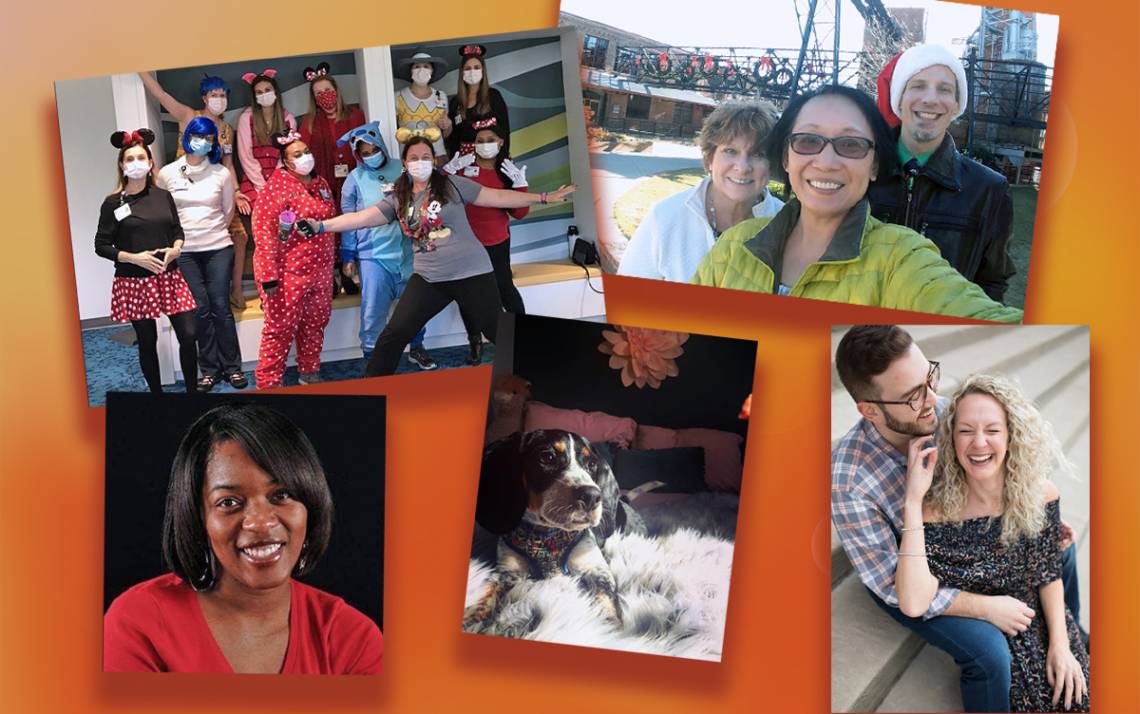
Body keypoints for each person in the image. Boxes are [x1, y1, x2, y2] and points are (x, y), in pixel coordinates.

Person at [831, 325, 1083, 712]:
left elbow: (1005, 474)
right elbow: (890, 585)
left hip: (970, 539)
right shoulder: (849, 481)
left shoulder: (948, 413)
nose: (933, 398)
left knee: (1058, 549)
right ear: (870, 410)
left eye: (928, 377)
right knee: (988, 653)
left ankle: (1070, 641)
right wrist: (985, 606)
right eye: (912, 395)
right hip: (909, 572)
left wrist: (1031, 518)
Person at [692, 85, 1023, 323]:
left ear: (875, 165)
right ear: (786, 157)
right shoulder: (733, 248)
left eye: (850, 145)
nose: (826, 161)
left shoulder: (901, 259)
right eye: (808, 140)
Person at [103, 404, 383, 674]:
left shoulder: (352, 638)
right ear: (198, 517)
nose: (261, 523)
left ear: (310, 503)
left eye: (281, 495)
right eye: (228, 502)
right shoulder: (138, 621)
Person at [299, 134, 575, 377]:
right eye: (414, 157)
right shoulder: (399, 196)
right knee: (394, 334)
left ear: (433, 160)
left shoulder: (453, 184)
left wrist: (544, 197)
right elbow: (360, 218)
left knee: (498, 334)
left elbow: (499, 198)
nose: (420, 162)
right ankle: (373, 389)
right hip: (430, 277)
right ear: (405, 163)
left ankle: (547, 371)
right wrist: (321, 226)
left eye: (426, 157)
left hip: (472, 272)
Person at [896, 375, 1089, 711]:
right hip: (1000, 638)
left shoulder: (1039, 494)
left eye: (993, 430)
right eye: (966, 430)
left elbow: (1047, 573)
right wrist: (912, 501)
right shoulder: (934, 512)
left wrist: (1061, 645)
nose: (979, 443)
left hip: (1045, 624)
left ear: (1011, 435)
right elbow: (914, 602)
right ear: (951, 439)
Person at [869, 44, 1015, 302]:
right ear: (898, 99)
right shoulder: (860, 172)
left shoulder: (989, 190)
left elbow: (992, 282)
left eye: (944, 89)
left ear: (956, 105)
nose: (930, 99)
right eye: (918, 85)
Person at [618, 100, 784, 282]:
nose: (743, 167)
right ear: (710, 159)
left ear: (772, 165)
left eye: (758, 154)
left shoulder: (789, 226)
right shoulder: (665, 218)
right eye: (730, 151)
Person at [94, 129, 198, 394]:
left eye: (141, 157)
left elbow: (177, 230)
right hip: (134, 281)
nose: (136, 163)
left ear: (151, 163)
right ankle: (156, 397)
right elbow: (101, 245)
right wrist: (134, 258)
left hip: (170, 277)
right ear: (121, 164)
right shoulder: (112, 203)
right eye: (129, 159)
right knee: (147, 340)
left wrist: (177, 248)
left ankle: (193, 394)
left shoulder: (163, 196)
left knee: (188, 336)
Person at [138, 72, 251, 308]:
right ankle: (191, 294)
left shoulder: (227, 129)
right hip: (185, 188)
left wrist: (237, 190)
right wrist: (141, 70)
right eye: (214, 95)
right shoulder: (189, 116)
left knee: (240, 236)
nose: (219, 99)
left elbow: (228, 165)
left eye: (223, 95)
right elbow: (161, 95)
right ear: (204, 97)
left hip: (216, 190)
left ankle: (236, 289)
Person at [156, 117, 248, 391]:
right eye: (199, 135)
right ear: (187, 137)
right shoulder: (167, 173)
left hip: (218, 247)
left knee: (220, 306)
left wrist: (210, 230)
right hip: (184, 252)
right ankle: (209, 370)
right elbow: (163, 212)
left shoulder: (221, 173)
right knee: (200, 309)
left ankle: (232, 368)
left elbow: (227, 210)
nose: (203, 141)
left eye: (209, 138)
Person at [337, 122, 436, 370]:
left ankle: (417, 347)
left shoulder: (403, 169)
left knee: (415, 306)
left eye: (374, 150)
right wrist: (348, 255)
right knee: (373, 311)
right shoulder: (354, 179)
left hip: (408, 251)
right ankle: (372, 357)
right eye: (365, 153)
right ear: (358, 154)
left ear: (381, 145)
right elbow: (349, 219)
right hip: (374, 255)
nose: (371, 156)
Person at [249, 131, 338, 389]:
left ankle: (309, 370)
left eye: (306, 152)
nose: (305, 158)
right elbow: (264, 235)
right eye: (297, 155)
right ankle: (269, 382)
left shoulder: (321, 184)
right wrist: (268, 278)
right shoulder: (274, 189)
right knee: (279, 330)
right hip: (288, 274)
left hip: (320, 272)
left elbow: (329, 224)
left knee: (315, 323)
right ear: (286, 162)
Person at [442, 118, 528, 364]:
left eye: (490, 140)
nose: (485, 145)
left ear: (500, 142)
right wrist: (445, 172)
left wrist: (521, 187)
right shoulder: (460, 169)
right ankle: (475, 342)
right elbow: (438, 195)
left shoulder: (507, 172)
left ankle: (519, 339)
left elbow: (520, 214)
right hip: (465, 244)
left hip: (496, 243)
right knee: (468, 295)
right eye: (480, 141)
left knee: (505, 290)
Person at [236, 69, 298, 308]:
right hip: (255, 183)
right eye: (259, 92)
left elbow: (288, 155)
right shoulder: (246, 118)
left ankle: (285, 286)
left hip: (282, 181)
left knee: (285, 238)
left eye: (268, 90)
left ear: (276, 92)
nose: (264, 95)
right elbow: (245, 155)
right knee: (263, 242)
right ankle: (265, 291)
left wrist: (277, 186)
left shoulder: (288, 118)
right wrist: (263, 188)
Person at [445, 44, 511, 158]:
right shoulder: (455, 102)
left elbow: (505, 131)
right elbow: (453, 139)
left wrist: (502, 160)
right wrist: (454, 164)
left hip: (493, 160)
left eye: (476, 67)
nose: (472, 72)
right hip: (465, 163)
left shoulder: (494, 96)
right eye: (468, 68)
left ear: (483, 70)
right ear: (462, 72)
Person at [394, 50, 452, 163]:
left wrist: (448, 125)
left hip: (437, 156)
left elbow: (446, 133)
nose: (421, 70)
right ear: (410, 71)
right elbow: (392, 131)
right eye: (417, 66)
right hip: (409, 157)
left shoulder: (441, 96)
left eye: (426, 66)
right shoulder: (397, 97)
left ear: (432, 71)